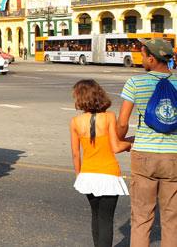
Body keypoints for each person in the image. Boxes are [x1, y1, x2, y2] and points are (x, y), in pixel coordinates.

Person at [116, 38, 177, 247]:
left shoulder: (136, 83)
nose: (141, 60)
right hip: (174, 157)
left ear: (151, 58)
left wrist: (121, 138)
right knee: (171, 220)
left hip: (144, 155)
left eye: (142, 56)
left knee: (142, 218)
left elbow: (123, 122)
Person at [70, 79, 131, 247]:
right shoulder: (109, 117)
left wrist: (79, 176)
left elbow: (76, 154)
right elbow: (116, 147)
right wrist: (130, 143)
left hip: (87, 175)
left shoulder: (75, 122)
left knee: (95, 216)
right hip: (108, 175)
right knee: (106, 220)